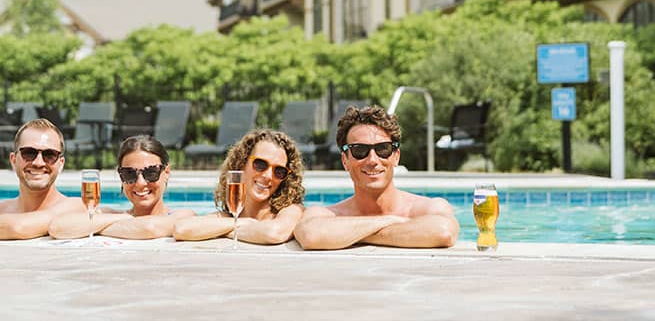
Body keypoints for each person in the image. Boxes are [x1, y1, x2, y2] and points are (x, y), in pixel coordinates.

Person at [294, 105, 458, 249]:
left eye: (383, 149)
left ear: (396, 157)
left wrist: (349, 235)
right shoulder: (327, 213)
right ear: (345, 160)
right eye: (359, 150)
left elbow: (444, 232)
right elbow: (311, 235)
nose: (372, 160)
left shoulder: (427, 207)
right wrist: (390, 221)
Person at [173, 129, 305, 245]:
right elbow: (181, 229)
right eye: (260, 164)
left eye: (279, 171)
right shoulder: (229, 217)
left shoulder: (290, 211)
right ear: (242, 163)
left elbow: (274, 233)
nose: (268, 176)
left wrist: (221, 231)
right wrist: (245, 222)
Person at [49, 135, 194, 240]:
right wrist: (126, 218)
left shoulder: (183, 216)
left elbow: (149, 228)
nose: (140, 183)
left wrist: (94, 227)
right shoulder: (113, 214)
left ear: (166, 172)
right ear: (121, 176)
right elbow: (58, 227)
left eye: (151, 173)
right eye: (129, 173)